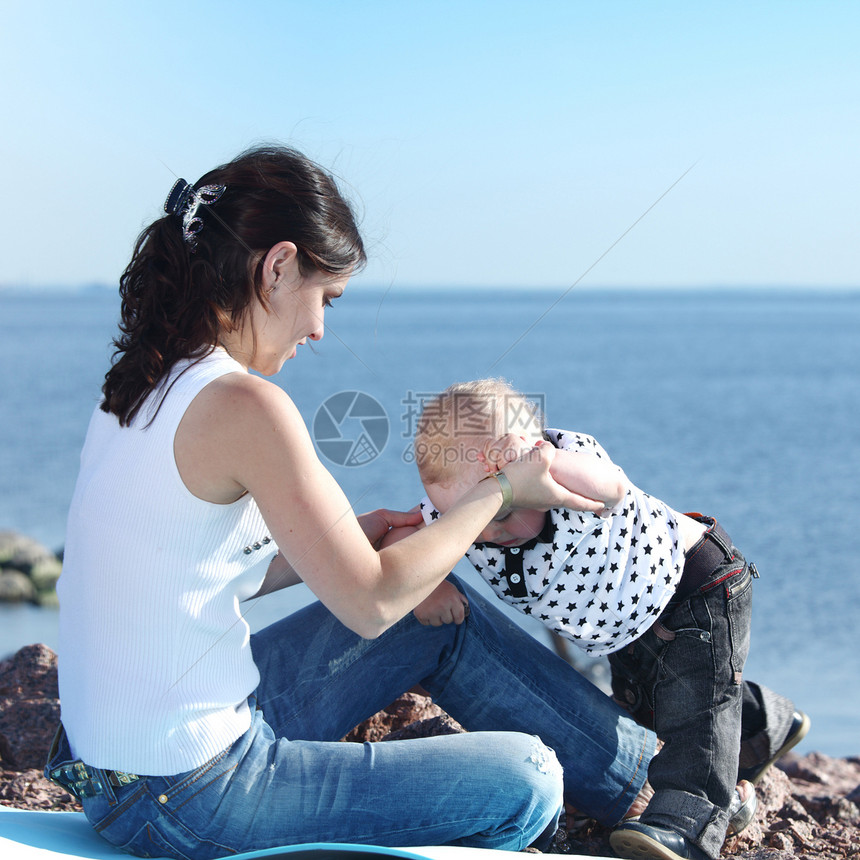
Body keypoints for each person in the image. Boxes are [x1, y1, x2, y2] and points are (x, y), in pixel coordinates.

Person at [45, 146, 660, 860]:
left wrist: (351, 539)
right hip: (188, 794)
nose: (319, 330)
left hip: (113, 767)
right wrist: (498, 492)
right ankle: (659, 788)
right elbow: (369, 605)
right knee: (528, 779)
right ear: (277, 267)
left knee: (436, 617)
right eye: (325, 298)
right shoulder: (245, 404)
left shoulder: (140, 381)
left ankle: (651, 784)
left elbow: (185, 567)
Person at [409, 379, 810, 860]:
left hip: (692, 587)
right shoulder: (457, 507)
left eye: (503, 507)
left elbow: (613, 486)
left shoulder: (568, 462)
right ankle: (764, 722)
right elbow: (405, 542)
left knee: (693, 716)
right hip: (622, 628)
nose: (491, 532)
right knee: (661, 705)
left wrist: (536, 466)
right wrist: (429, 585)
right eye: (474, 516)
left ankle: (687, 826)